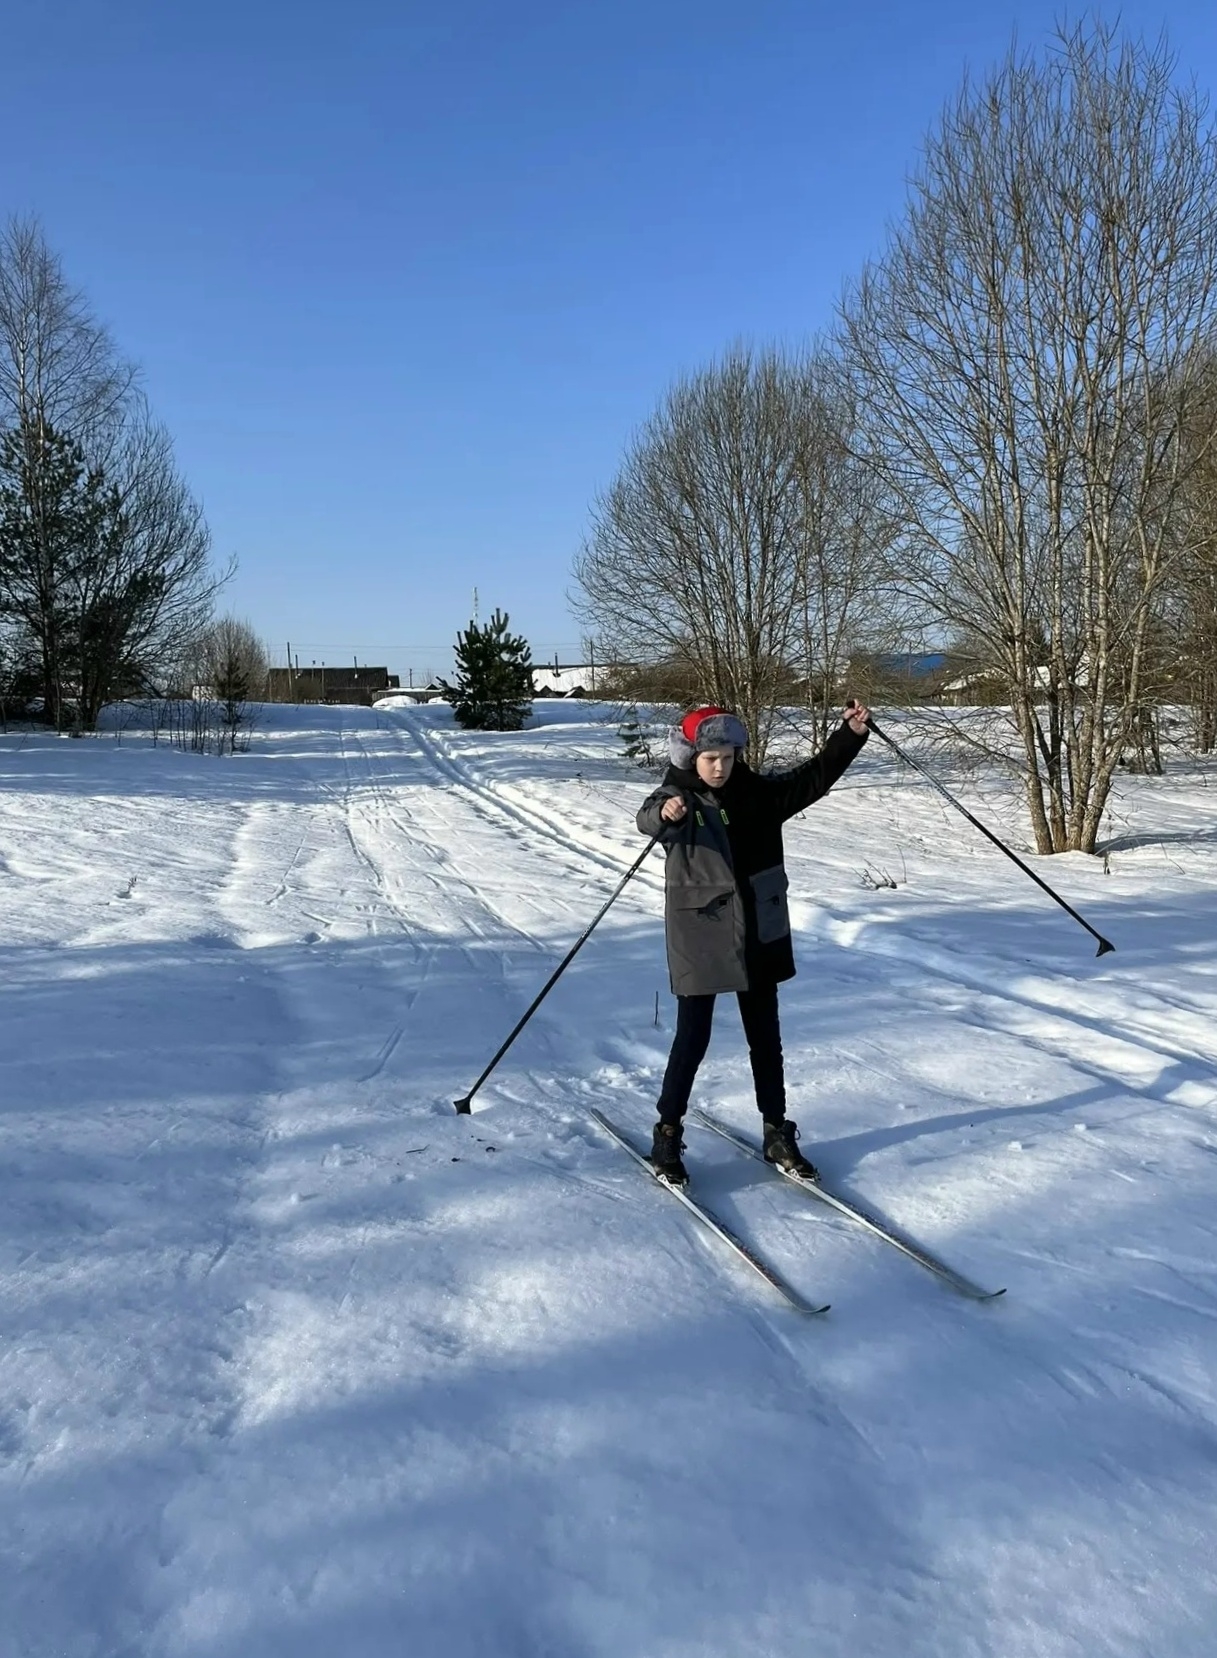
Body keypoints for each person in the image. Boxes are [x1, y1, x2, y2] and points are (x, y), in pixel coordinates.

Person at [636, 701, 871, 1186]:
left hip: (760, 929)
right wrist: (666, 811)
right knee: (692, 1038)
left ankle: (776, 1131)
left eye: (726, 756)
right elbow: (649, 818)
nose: (719, 767)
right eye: (709, 758)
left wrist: (848, 735)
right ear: (690, 758)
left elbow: (812, 779)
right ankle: (667, 1132)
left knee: (766, 1038)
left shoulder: (757, 794)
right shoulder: (679, 795)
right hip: (701, 933)